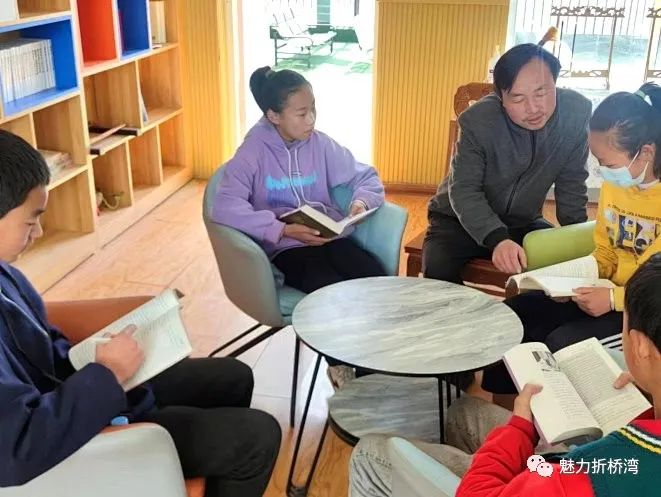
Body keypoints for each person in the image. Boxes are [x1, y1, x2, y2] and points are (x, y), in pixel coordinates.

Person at [0, 130, 281, 497]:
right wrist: (106, 374)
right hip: (68, 450)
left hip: (75, 397)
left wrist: (99, 359)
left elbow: (43, 343)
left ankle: (192, 475)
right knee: (257, 438)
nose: (38, 232)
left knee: (233, 376)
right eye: (30, 220)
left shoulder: (7, 274)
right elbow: (17, 449)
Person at [348, 254, 661, 497]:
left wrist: (520, 429)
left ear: (641, 346)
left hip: (546, 476)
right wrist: (648, 393)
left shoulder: (592, 475)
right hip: (568, 463)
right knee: (461, 411)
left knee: (370, 452)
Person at [482, 82, 661, 399]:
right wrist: (571, 282)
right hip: (608, 291)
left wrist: (613, 300)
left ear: (646, 152)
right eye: (598, 162)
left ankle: (558, 420)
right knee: (515, 314)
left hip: (643, 313)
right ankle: (511, 411)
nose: (603, 172)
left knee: (560, 342)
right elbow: (606, 251)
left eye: (609, 164)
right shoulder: (617, 186)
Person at [212, 66, 387, 387]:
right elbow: (224, 206)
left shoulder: (319, 144)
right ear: (274, 116)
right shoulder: (252, 152)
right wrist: (281, 229)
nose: (311, 120)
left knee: (375, 276)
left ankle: (380, 360)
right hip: (288, 250)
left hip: (329, 238)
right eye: (302, 113)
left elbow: (366, 176)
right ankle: (346, 370)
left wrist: (361, 202)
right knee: (330, 294)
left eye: (314, 109)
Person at [424, 43, 591, 283]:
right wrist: (497, 239)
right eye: (518, 98)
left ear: (556, 84)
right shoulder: (478, 121)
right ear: (500, 97)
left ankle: (517, 309)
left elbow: (572, 185)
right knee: (438, 271)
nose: (533, 108)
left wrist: (579, 241)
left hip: (522, 222)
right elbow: (464, 189)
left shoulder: (575, 114)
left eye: (541, 93)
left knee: (561, 274)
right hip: (458, 220)